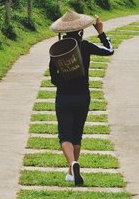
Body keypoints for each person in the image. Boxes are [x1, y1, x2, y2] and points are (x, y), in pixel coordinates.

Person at [49, 10, 114, 186]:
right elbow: (109, 50)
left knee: (65, 136)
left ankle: (72, 165)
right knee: (77, 135)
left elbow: (53, 78)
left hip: (63, 97)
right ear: (81, 30)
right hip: (83, 97)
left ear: (64, 32)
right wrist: (101, 32)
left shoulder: (56, 50)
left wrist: (63, 82)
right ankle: (72, 170)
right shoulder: (85, 46)